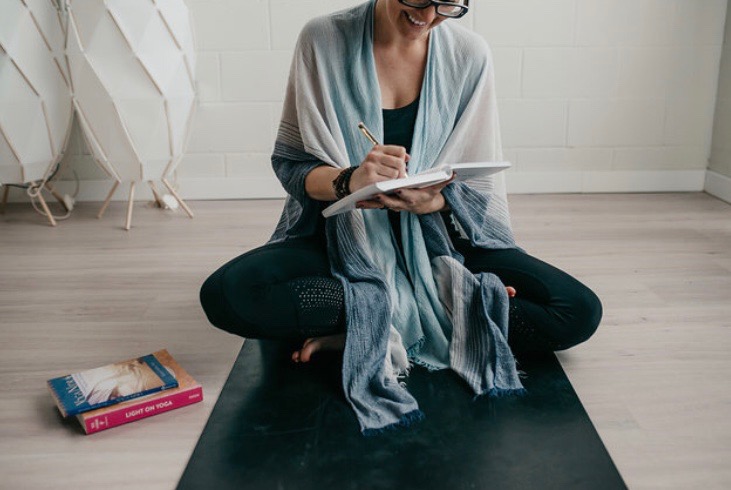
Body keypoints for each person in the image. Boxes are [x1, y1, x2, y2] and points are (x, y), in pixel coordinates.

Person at [200, 0, 602, 434]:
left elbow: (478, 186)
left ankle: (367, 323)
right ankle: (446, 309)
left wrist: (436, 202)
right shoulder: (323, 39)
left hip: (441, 245)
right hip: (342, 237)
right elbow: (292, 165)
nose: (429, 16)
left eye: (449, 4)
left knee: (578, 311)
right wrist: (350, 180)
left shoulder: (470, 55)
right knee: (229, 294)